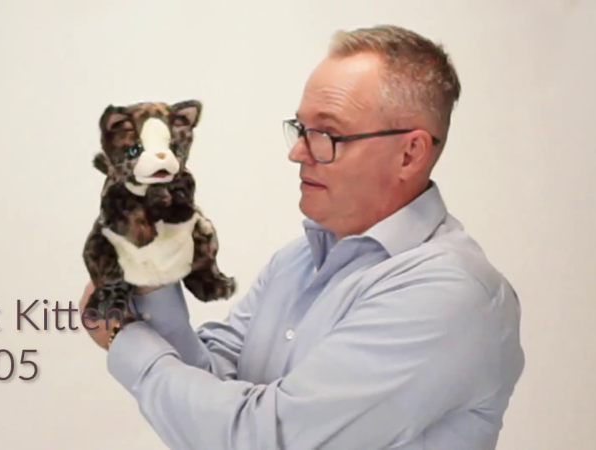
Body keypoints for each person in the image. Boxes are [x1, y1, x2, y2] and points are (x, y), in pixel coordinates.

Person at [79, 24, 525, 450]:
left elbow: (261, 439)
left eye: (327, 133)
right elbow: (210, 386)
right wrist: (152, 279)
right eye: (300, 128)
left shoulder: (449, 293)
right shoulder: (297, 261)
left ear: (409, 154)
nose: (297, 152)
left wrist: (125, 339)